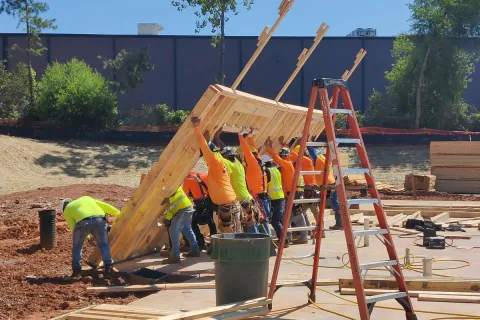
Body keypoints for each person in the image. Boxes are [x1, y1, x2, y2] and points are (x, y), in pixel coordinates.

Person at [191, 116, 241, 233]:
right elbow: (218, 151)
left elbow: (203, 145)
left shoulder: (214, 161)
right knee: (232, 232)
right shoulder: (223, 162)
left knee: (229, 233)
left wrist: (196, 127)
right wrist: (215, 139)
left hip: (227, 205)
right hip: (228, 204)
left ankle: (229, 250)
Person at [58, 196, 120, 278]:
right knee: (104, 245)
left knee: (77, 247)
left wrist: (88, 237)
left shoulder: (67, 210)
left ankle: (77, 272)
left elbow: (73, 226)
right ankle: (108, 269)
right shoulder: (86, 198)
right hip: (100, 220)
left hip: (83, 223)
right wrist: (119, 213)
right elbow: (106, 206)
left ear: (63, 208)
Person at [214, 128, 259, 233]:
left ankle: (255, 245)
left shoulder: (230, 165)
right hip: (247, 199)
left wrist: (208, 142)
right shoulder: (238, 164)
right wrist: (217, 138)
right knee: (251, 226)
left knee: (249, 228)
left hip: (243, 201)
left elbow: (215, 156)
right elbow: (225, 149)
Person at [265, 138, 308, 244]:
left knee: (296, 215)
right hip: (289, 193)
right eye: (282, 155)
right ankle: (289, 236)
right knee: (289, 215)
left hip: (293, 193)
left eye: (283, 156)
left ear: (287, 156)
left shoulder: (287, 164)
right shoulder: (286, 164)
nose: (282, 157)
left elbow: (277, 159)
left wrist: (268, 149)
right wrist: (282, 145)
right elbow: (278, 159)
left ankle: (303, 236)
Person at [238, 127, 270, 235]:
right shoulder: (260, 162)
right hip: (263, 196)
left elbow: (247, 151)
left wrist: (241, 136)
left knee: (255, 221)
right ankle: (267, 242)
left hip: (257, 198)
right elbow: (253, 150)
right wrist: (251, 137)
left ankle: (258, 241)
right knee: (263, 220)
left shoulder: (253, 163)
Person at [161, 186, 201, 264]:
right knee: (187, 229)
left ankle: (175, 256)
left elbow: (179, 195)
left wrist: (169, 200)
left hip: (183, 209)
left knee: (173, 230)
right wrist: (168, 218)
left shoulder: (174, 185)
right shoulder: (166, 191)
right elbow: (170, 208)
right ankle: (195, 250)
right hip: (186, 208)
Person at [307, 146, 342, 230]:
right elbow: (315, 151)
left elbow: (312, 153)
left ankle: (339, 223)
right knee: (334, 202)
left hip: (326, 185)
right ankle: (339, 223)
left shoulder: (318, 160)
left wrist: (308, 145)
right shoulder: (323, 158)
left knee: (327, 203)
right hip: (331, 182)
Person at [183, 171, 217, 250]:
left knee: (193, 223)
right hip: (209, 201)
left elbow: (185, 195)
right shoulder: (203, 175)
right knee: (211, 222)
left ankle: (200, 243)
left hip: (200, 204)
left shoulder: (187, 180)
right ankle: (215, 243)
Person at [290, 145, 318, 229]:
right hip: (307, 189)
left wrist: (285, 147)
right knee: (303, 211)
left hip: (310, 189)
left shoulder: (306, 160)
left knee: (314, 211)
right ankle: (307, 229)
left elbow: (293, 156)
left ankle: (320, 230)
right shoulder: (305, 161)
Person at [261, 154, 285, 240]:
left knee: (275, 221)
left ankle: (283, 240)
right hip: (281, 196)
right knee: (279, 220)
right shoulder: (276, 169)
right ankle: (285, 239)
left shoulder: (267, 171)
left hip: (274, 198)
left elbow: (265, 185)